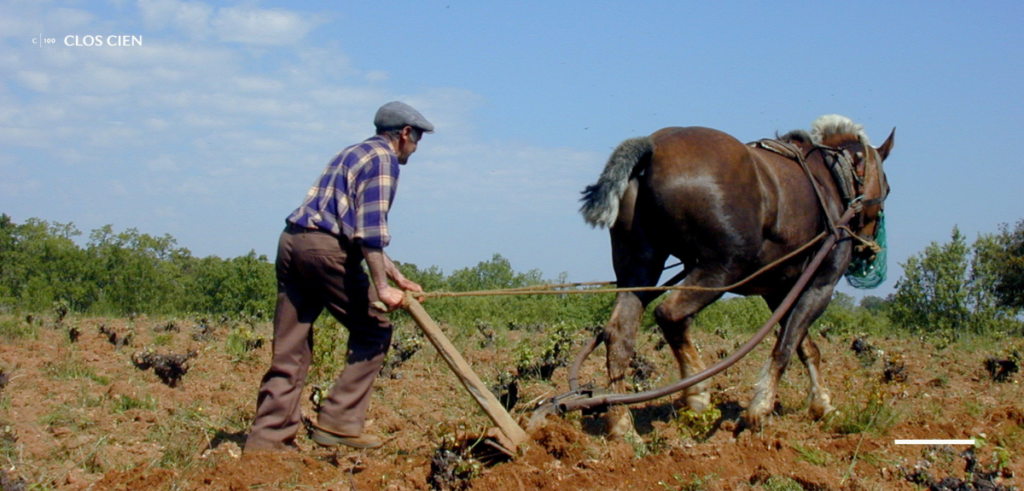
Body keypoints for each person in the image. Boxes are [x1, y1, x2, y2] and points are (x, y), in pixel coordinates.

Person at [244, 101, 432, 451]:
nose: (417, 147)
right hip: (324, 251)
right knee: (374, 328)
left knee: (290, 349)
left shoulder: (352, 153)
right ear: (405, 133)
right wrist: (382, 289)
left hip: (293, 243)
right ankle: (339, 422)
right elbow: (371, 231)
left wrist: (398, 277)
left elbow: (350, 224)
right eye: (418, 138)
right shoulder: (384, 160)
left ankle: (266, 446)